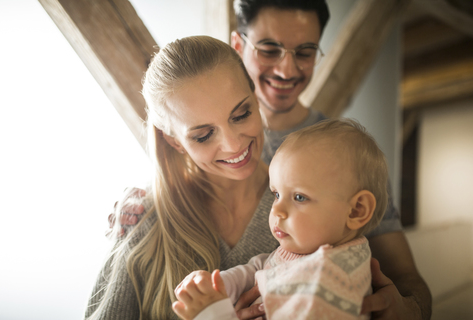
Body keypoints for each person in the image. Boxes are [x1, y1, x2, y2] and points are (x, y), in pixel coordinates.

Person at [112, 1, 432, 319]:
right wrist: (147, 200)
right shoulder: (158, 211)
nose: (287, 70)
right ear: (239, 47)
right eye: (269, 49)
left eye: (305, 52)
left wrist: (408, 308)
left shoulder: (347, 155)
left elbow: (406, 278)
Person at [85, 36, 277, 320]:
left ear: (255, 97)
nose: (233, 145)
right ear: (174, 141)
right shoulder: (142, 219)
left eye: (241, 114)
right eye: (203, 135)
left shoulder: (311, 197)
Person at [172, 119, 389, 320]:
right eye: (276, 194)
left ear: (356, 211)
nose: (277, 209)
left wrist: (214, 313)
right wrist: (220, 285)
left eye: (299, 197)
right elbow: (263, 267)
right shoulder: (311, 250)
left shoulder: (330, 280)